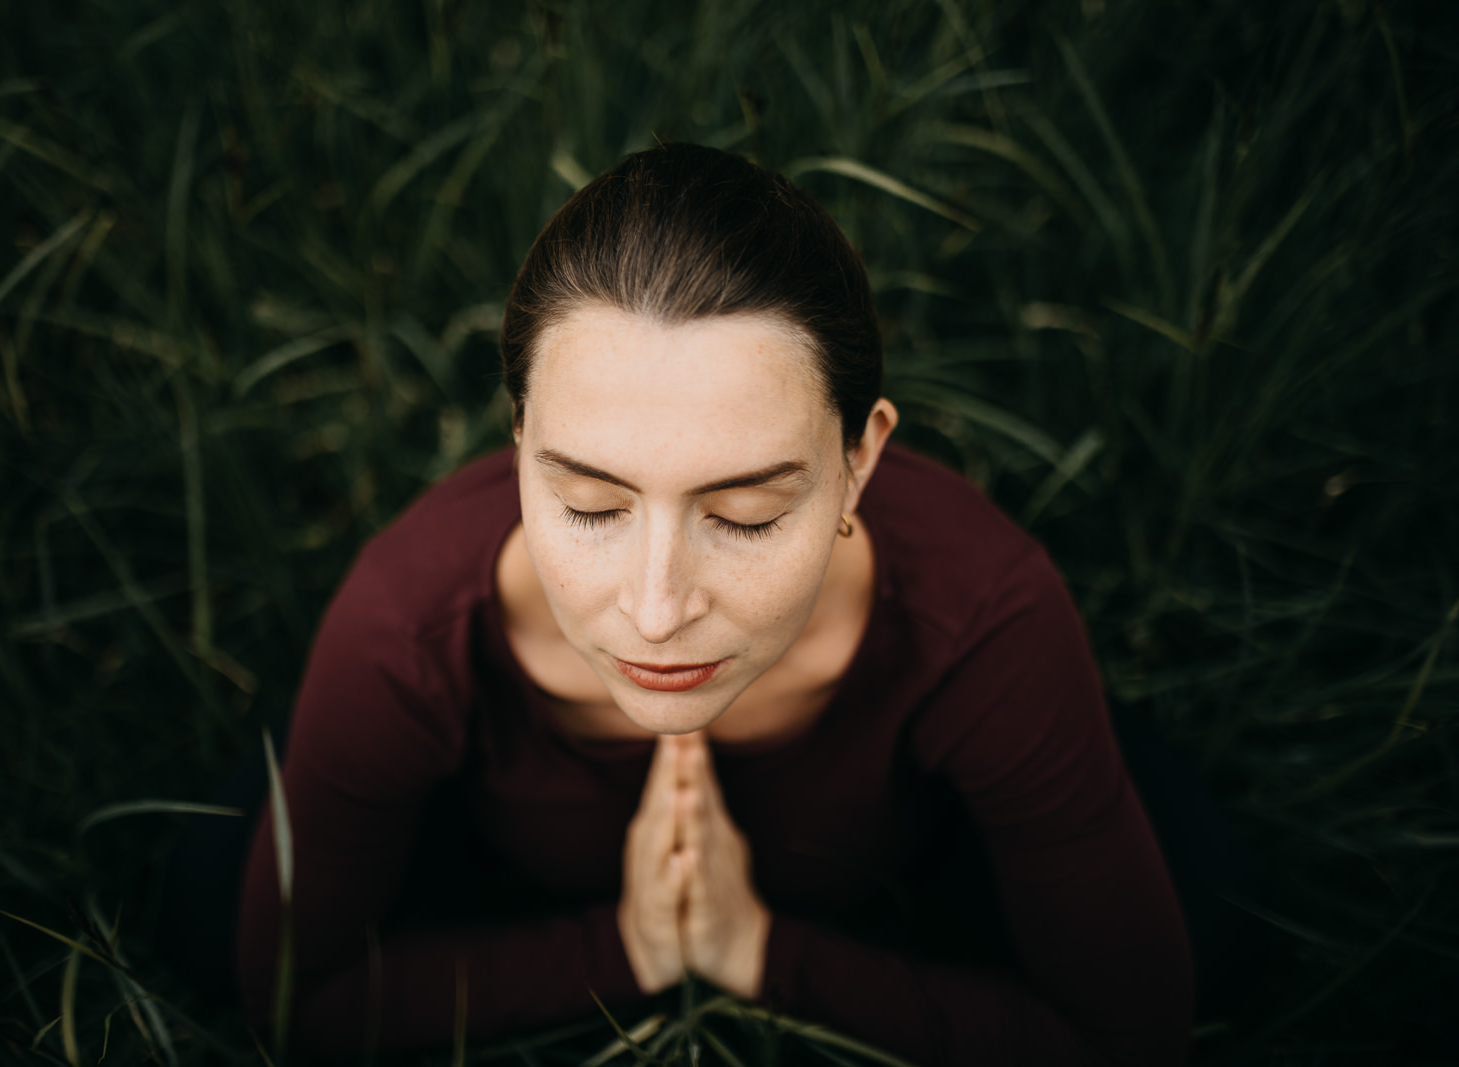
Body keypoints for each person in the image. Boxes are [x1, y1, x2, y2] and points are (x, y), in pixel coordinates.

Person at [210, 143, 1230, 1064]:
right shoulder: (405, 632)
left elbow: (1128, 1034)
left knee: (1212, 893)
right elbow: (294, 997)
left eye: (743, 515)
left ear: (862, 455)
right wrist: (625, 947)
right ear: (518, 442)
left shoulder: (986, 622)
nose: (656, 613)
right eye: (590, 503)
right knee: (203, 881)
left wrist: (758, 951)